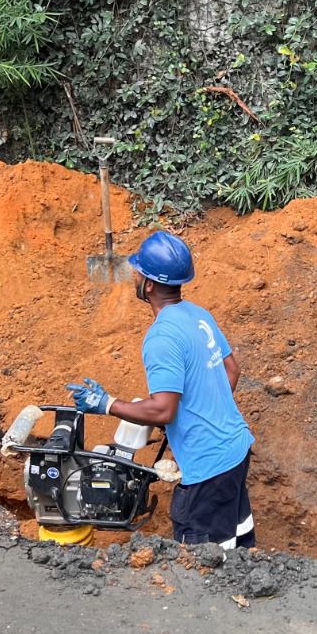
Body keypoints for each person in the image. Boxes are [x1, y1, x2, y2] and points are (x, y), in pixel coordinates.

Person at [65, 231, 257, 548]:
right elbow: (231, 369)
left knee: (203, 559)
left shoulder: (161, 337)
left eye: (138, 272)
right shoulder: (199, 314)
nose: (134, 276)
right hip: (235, 447)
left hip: (209, 466)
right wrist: (202, 412)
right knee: (236, 543)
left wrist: (106, 403)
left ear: (149, 284)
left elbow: (163, 409)